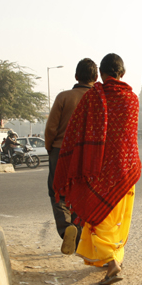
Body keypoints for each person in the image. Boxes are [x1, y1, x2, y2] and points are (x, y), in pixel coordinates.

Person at [53, 53, 141, 285]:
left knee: (97, 216)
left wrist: (69, 161)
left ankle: (111, 261)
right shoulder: (132, 99)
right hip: (124, 169)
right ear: (122, 74)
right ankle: (112, 257)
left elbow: (74, 133)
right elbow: (129, 138)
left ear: (101, 74)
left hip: (97, 171)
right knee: (117, 218)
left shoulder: (93, 98)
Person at [45, 58, 98, 255]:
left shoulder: (63, 97)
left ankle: (66, 228)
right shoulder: (99, 99)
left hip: (61, 151)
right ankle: (80, 234)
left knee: (57, 191)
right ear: (95, 77)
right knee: (82, 192)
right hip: (89, 153)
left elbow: (51, 128)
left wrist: (50, 148)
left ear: (76, 76)